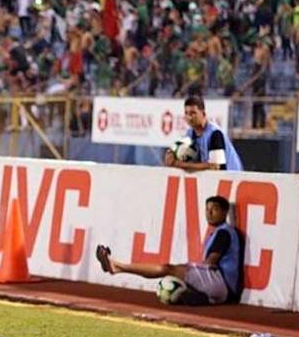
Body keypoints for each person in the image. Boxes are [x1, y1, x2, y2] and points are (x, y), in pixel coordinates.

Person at [96, 195, 244, 305]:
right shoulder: (219, 232)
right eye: (207, 209)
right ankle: (201, 297)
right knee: (175, 275)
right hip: (222, 286)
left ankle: (117, 267)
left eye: (214, 209)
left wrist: (189, 272)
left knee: (167, 269)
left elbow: (210, 262)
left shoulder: (224, 232)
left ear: (225, 213)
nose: (209, 213)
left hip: (223, 284)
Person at [165, 94, 244, 172]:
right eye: (186, 113)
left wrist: (181, 165)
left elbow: (216, 167)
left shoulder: (215, 133)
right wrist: (172, 154)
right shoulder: (190, 133)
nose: (189, 117)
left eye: (193, 113)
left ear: (203, 114)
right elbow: (169, 159)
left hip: (233, 179)